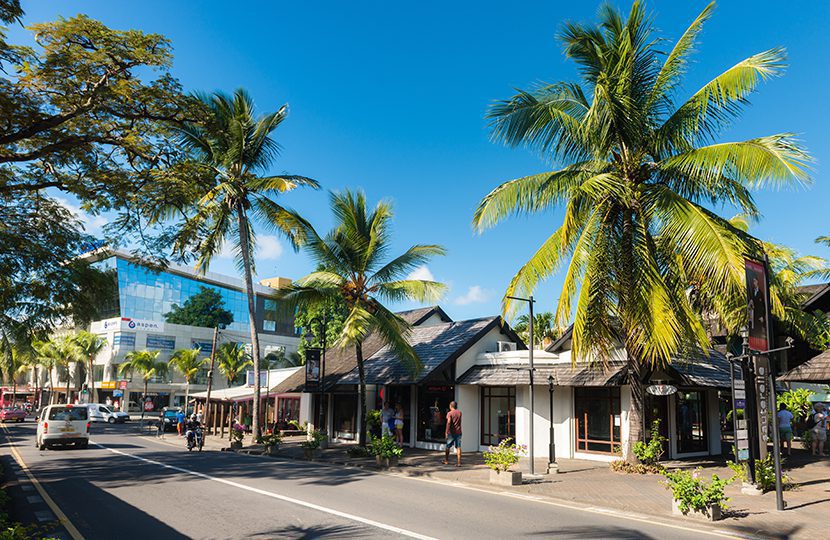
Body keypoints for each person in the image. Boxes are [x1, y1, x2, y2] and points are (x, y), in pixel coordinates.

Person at [443, 401, 462, 466]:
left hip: (451, 433)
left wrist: (446, 432)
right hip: (458, 432)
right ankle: (459, 462)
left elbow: (448, 422)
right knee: (458, 447)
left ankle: (446, 461)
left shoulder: (449, 413)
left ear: (450, 406)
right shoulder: (459, 413)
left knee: (448, 446)